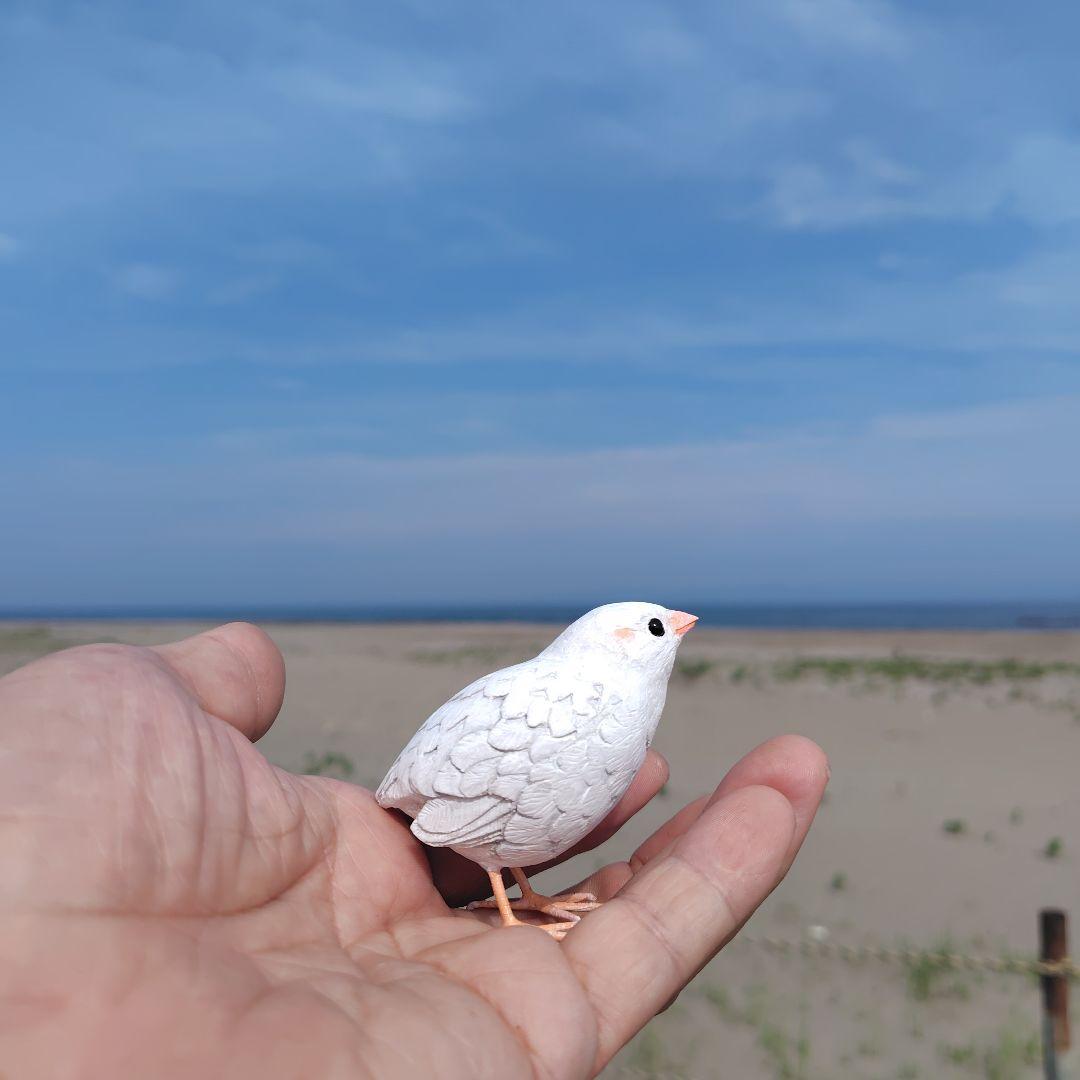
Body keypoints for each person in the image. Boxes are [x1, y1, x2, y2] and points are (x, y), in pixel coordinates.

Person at [0, 622, 827, 1078]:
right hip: (459, 799)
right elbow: (502, 791)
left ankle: (525, 896)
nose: (675, 628)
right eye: (654, 625)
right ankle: (512, 903)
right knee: (536, 805)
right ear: (615, 641)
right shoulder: (576, 701)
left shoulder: (594, 694)